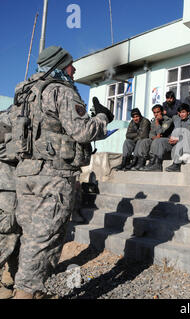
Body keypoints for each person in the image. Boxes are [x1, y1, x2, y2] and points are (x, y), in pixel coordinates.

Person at [10, 46, 113, 299]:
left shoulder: (25, 94)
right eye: (70, 64)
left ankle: (18, 284)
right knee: (45, 237)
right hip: (52, 175)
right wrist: (102, 117)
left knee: (29, 233)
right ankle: (25, 294)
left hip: (26, 174)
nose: (74, 69)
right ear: (59, 66)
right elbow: (83, 132)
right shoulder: (60, 90)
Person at [0, 108, 19, 300]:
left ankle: (10, 278)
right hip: (6, 188)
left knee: (17, 235)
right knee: (7, 235)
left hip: (15, 187)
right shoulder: (7, 117)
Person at [143, 104, 190, 172]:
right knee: (158, 141)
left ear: (188, 113)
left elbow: (189, 135)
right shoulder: (176, 119)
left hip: (184, 145)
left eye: (183, 112)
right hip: (173, 141)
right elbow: (169, 116)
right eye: (180, 112)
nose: (181, 114)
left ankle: (176, 165)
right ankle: (157, 164)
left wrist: (178, 139)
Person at [134, 105, 174, 171]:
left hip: (167, 141)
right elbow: (151, 134)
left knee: (157, 140)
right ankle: (142, 163)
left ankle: (157, 165)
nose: (156, 114)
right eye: (154, 113)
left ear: (162, 112)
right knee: (144, 141)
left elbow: (161, 131)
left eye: (158, 112)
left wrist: (157, 123)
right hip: (157, 140)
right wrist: (155, 136)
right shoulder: (153, 122)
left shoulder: (168, 120)